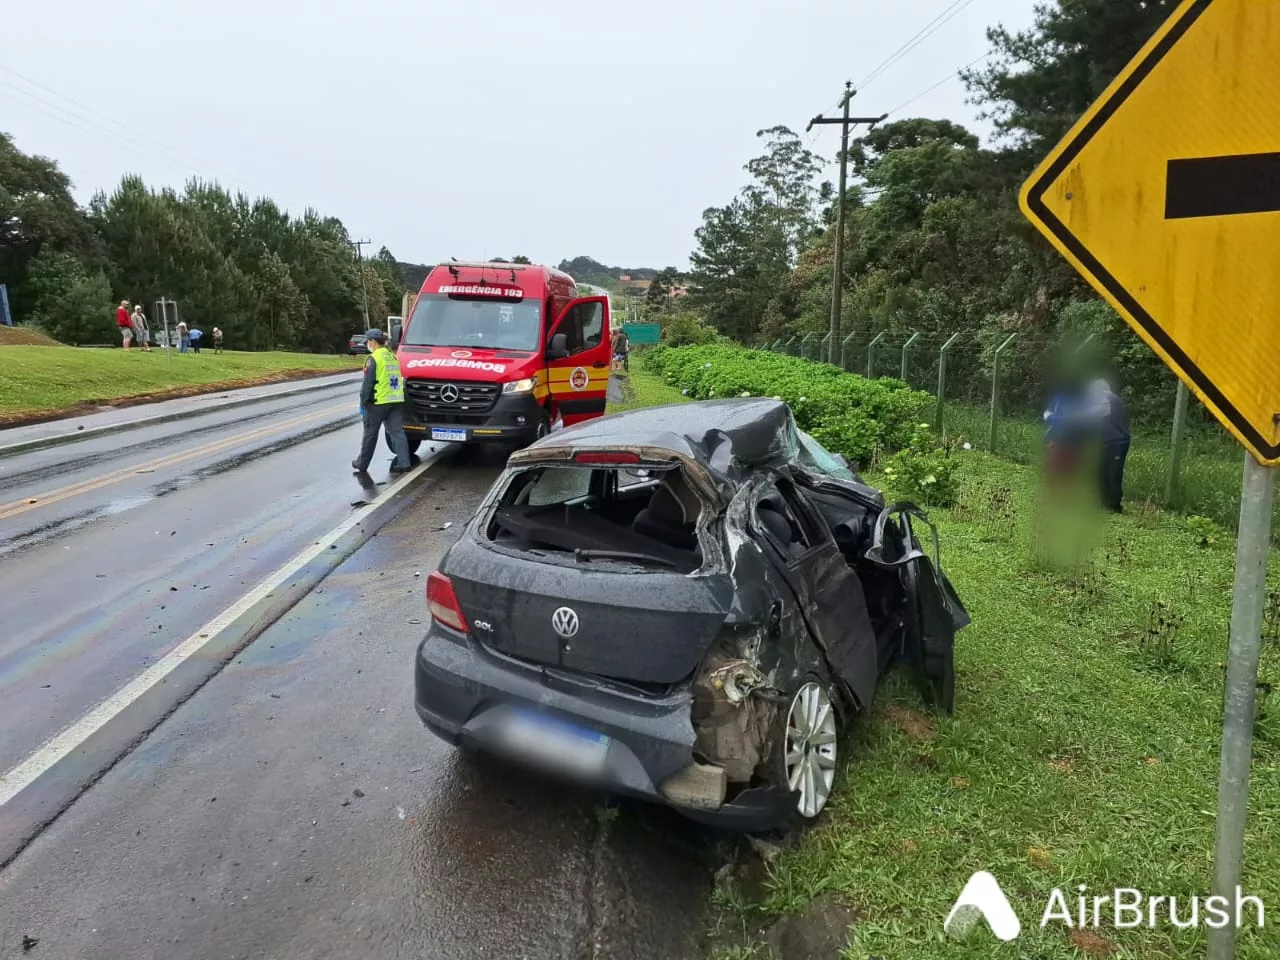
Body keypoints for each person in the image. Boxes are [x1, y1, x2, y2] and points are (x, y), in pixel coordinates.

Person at [352, 328, 412, 475]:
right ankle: (405, 463)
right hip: (396, 401)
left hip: (378, 402)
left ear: (373, 341)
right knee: (398, 433)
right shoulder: (393, 357)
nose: (367, 343)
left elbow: (367, 384)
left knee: (370, 434)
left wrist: (363, 404)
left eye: (368, 341)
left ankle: (362, 464)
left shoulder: (374, 358)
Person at [1084, 378, 1131, 513]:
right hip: (1107, 440)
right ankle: (1103, 502)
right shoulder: (1108, 399)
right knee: (1102, 471)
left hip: (1117, 441)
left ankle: (1114, 506)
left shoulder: (1108, 398)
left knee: (1113, 473)